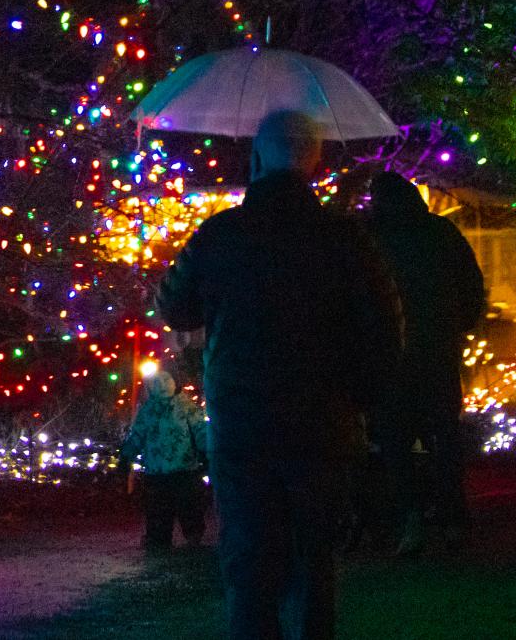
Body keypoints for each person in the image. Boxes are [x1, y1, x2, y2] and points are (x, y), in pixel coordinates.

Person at [156, 111, 401, 640]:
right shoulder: (345, 240)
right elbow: (383, 328)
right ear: (313, 161)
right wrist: (363, 400)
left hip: (243, 421)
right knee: (314, 560)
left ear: (259, 157)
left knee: (248, 561)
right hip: (322, 420)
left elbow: (175, 305)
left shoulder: (221, 235)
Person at [364, 170, 488, 554]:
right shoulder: (441, 233)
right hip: (437, 353)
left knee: (396, 445)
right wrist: (457, 327)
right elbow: (471, 286)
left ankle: (411, 520)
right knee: (444, 438)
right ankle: (452, 519)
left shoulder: (372, 239)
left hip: (391, 360)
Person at [120, 364, 209, 550]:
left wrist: (206, 451)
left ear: (175, 381)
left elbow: (200, 430)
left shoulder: (185, 406)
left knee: (189, 506)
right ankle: (158, 538)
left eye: (166, 379)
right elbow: (137, 435)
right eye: (156, 381)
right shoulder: (148, 410)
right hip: (157, 471)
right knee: (158, 509)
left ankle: (193, 536)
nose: (161, 385)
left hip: (184, 468)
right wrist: (126, 455)